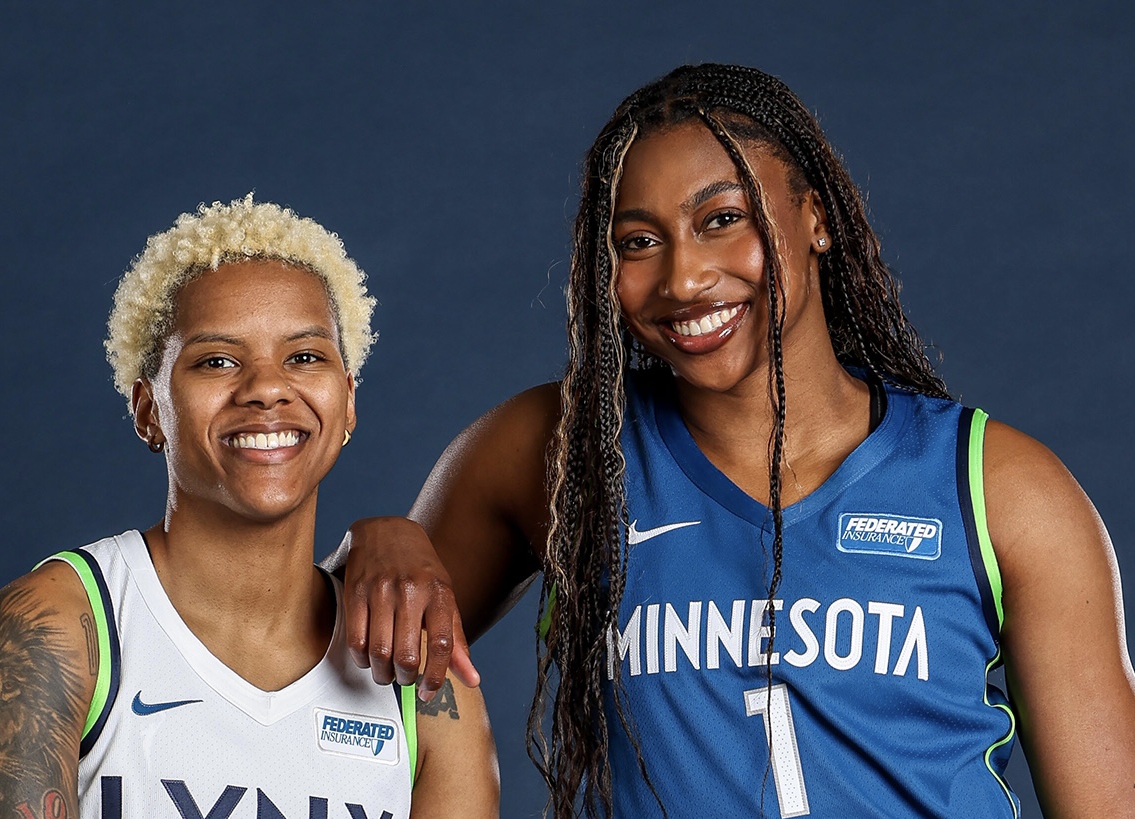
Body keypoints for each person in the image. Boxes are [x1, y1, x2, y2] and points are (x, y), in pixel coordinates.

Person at [334, 65, 1135, 817]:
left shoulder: (998, 487)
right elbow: (308, 681)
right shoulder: (562, 448)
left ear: (816, 217)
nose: (683, 279)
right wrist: (378, 542)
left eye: (723, 220)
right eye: (637, 242)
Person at [0, 197, 500, 819]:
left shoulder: (423, 676)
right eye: (216, 361)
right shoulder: (60, 626)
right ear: (149, 409)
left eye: (305, 356)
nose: (266, 387)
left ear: (347, 403)